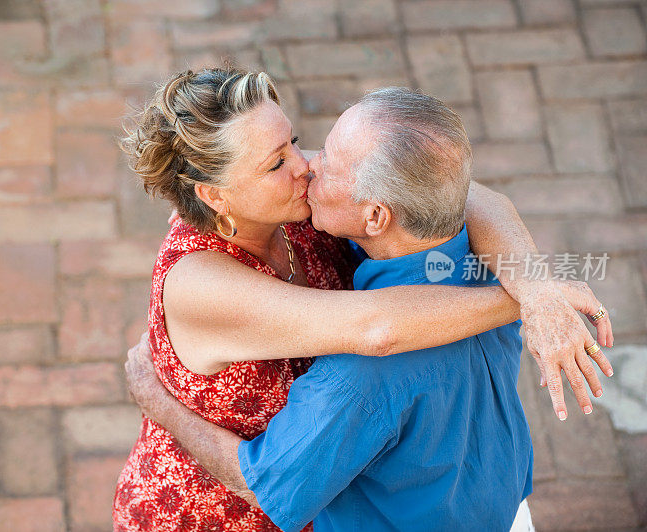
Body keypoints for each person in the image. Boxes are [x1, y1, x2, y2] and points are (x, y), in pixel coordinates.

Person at [113, 68, 612, 531]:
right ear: (215, 196)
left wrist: (538, 291)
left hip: (314, 472)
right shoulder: (204, 285)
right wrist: (525, 298)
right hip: (216, 508)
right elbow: (378, 328)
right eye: (275, 163)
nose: (306, 167)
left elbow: (454, 186)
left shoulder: (303, 208)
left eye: (295, 143)